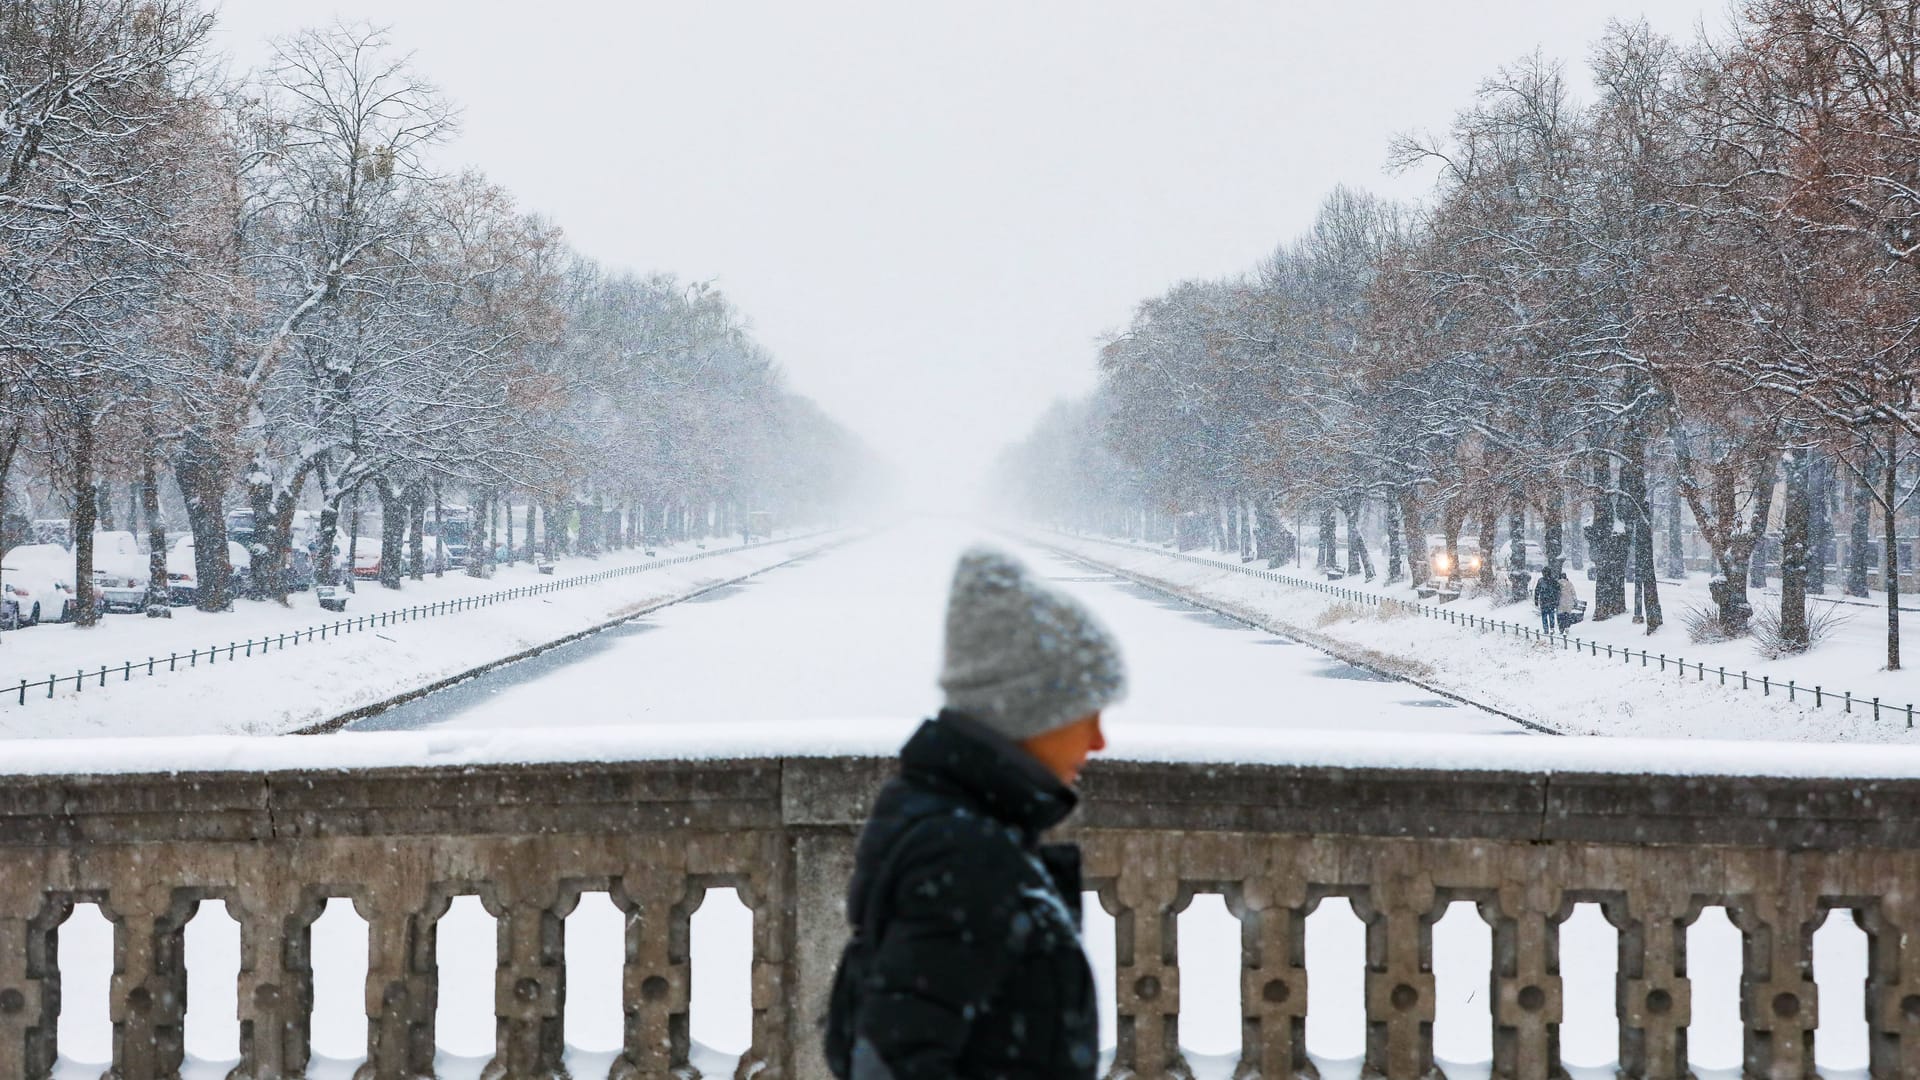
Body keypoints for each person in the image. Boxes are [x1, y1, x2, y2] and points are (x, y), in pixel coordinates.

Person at [826, 545, 1124, 1080]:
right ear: (1030, 715)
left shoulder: (958, 827)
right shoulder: (966, 858)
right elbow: (891, 1062)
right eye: (1088, 714)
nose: (1099, 741)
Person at [1533, 562, 1563, 634]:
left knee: (1544, 616)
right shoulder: (1553, 581)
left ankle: (1546, 629)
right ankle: (1551, 628)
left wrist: (1536, 600)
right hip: (1551, 601)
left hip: (1544, 601)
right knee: (1551, 615)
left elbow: (1537, 591)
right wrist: (1557, 600)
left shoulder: (1541, 581)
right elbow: (1558, 591)